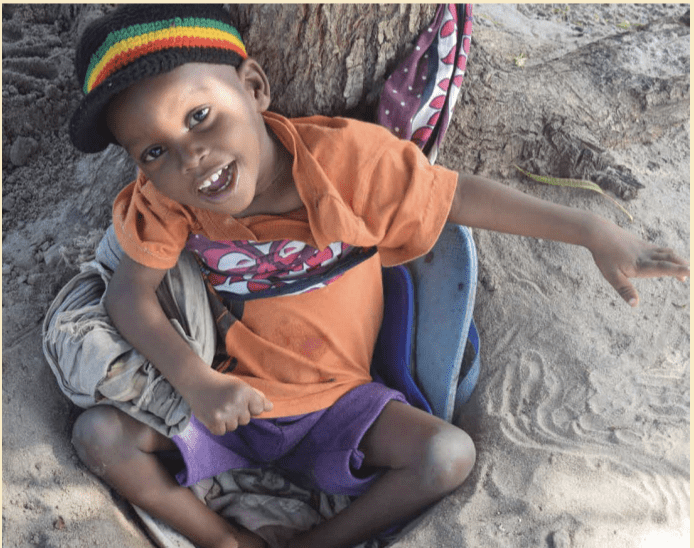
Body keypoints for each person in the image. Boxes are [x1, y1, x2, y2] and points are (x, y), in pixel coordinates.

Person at [66, 5, 689, 548]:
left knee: (447, 455)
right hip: (226, 408)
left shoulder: (349, 165)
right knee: (98, 435)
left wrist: (592, 231)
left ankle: (318, 544)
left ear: (253, 86)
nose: (188, 155)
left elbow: (458, 198)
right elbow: (130, 296)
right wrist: (197, 382)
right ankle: (228, 541)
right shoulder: (166, 201)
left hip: (339, 406)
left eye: (200, 115)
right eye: (153, 151)